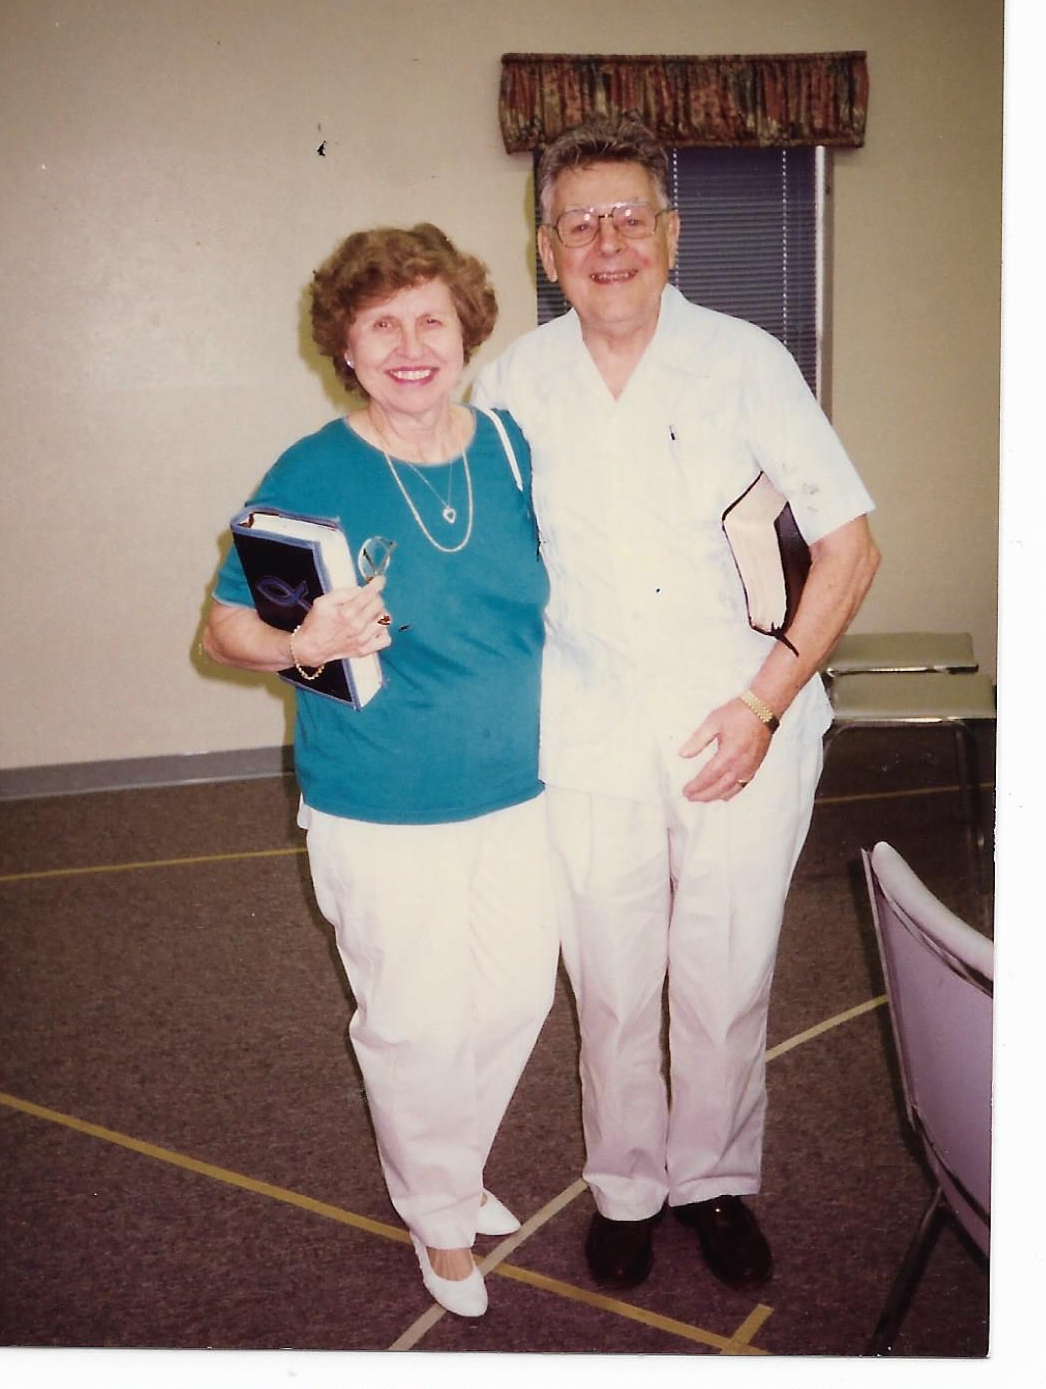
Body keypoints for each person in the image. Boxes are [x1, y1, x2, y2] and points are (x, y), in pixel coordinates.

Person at [473, 115, 880, 1292]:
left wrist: (763, 702)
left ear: (672, 233)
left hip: (741, 718)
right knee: (611, 977)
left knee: (724, 970)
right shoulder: (513, 384)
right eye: (581, 222)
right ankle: (627, 1186)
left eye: (630, 218)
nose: (609, 244)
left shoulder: (748, 360)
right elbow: (479, 564)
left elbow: (850, 547)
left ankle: (711, 1182)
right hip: (588, 732)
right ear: (547, 248)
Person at [202, 223, 556, 1318]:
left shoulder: (508, 449)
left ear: (468, 333)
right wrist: (299, 642)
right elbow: (224, 627)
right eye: (382, 325)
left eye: (431, 320)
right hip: (380, 796)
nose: (412, 345)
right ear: (346, 349)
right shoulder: (313, 470)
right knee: (413, 1020)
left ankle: (449, 1167)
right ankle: (439, 1221)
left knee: (512, 999)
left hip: (516, 789)